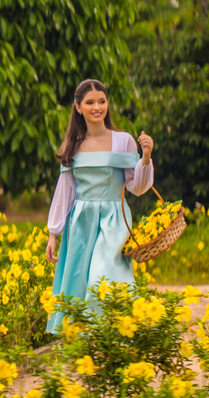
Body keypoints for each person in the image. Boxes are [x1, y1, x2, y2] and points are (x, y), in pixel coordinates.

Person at [44, 79, 154, 334]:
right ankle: (85, 342)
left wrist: (145, 157)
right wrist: (53, 233)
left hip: (113, 220)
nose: (97, 107)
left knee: (103, 278)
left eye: (102, 101)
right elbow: (65, 191)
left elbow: (136, 187)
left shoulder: (123, 141)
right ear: (78, 107)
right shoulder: (73, 145)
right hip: (81, 221)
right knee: (79, 279)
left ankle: (118, 334)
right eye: (90, 102)